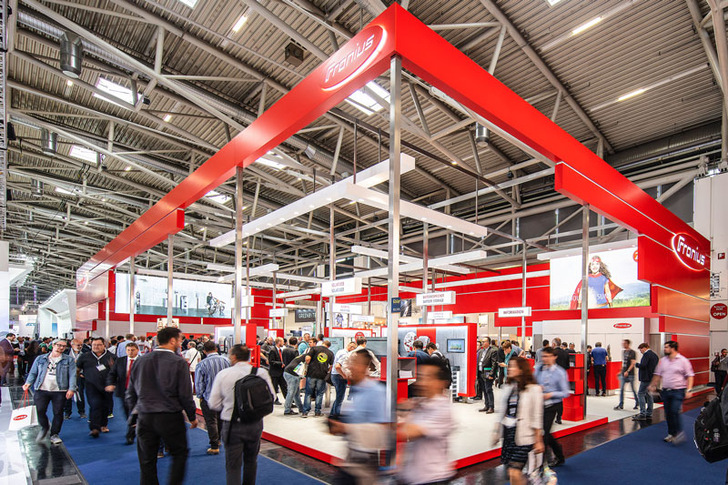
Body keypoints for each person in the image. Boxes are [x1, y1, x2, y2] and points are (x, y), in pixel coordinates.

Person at [126, 327, 198, 485]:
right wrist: (192, 416)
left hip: (145, 416)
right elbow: (185, 394)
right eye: (180, 339)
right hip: (170, 416)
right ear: (172, 340)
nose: (181, 343)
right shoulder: (178, 362)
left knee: (146, 460)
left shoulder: (140, 360)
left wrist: (133, 415)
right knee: (179, 454)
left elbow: (131, 392)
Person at [208, 344, 274, 485]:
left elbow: (213, 404)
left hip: (232, 425)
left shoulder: (224, 374)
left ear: (233, 356)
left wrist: (229, 406)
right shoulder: (260, 372)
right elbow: (271, 397)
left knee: (233, 465)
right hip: (255, 424)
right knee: (251, 461)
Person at [328, 349, 388, 484]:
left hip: (365, 462)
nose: (349, 366)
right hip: (352, 457)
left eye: (353, 363)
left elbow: (382, 429)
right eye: (349, 363)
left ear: (364, 367)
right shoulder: (356, 390)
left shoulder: (376, 392)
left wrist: (347, 428)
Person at [398, 358, 455, 485]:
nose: (421, 382)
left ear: (442, 383)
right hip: (413, 476)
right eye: (420, 377)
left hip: (433, 479)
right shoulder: (420, 402)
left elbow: (409, 432)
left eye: (428, 378)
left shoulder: (443, 409)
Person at [492, 357, 544, 485]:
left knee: (514, 471)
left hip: (524, 436)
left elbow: (537, 416)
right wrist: (496, 431)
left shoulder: (534, 389)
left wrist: (538, 440)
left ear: (521, 370)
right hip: (509, 434)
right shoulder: (507, 387)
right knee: (511, 472)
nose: (509, 369)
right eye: (509, 366)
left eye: (513, 366)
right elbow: (501, 412)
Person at [23, 339, 76, 445]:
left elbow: (72, 375)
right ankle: (44, 427)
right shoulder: (40, 358)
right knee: (40, 410)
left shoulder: (69, 360)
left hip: (60, 390)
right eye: (59, 345)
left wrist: (71, 388)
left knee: (58, 412)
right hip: (41, 389)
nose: (61, 348)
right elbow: (33, 372)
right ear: (53, 345)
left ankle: (54, 434)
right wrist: (28, 382)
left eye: (64, 346)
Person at [648, 340, 694, 445]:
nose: (664, 349)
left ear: (673, 348)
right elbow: (658, 374)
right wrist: (653, 384)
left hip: (678, 391)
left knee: (674, 410)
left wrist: (689, 389)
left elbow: (690, 375)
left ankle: (678, 433)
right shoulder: (663, 361)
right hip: (666, 391)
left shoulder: (683, 361)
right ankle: (671, 433)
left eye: (666, 347)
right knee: (668, 414)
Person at [194, 340, 230, 455]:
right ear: (216, 349)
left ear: (204, 351)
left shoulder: (202, 364)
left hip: (208, 397)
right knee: (220, 419)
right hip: (224, 397)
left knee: (211, 422)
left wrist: (199, 396)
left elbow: (199, 383)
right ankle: (218, 440)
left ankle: (214, 446)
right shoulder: (227, 361)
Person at [535, 347, 570, 468]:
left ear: (554, 357)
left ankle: (541, 464)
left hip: (552, 406)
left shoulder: (560, 372)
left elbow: (565, 392)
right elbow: (533, 382)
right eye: (543, 356)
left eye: (547, 356)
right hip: (538, 405)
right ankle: (559, 454)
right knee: (545, 432)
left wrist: (551, 394)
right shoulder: (539, 369)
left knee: (544, 432)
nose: (544, 359)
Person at [77, 337, 115, 437]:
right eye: (94, 345)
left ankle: (103, 424)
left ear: (104, 345)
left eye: (98, 345)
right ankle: (94, 428)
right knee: (95, 404)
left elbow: (116, 371)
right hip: (91, 385)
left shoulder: (112, 357)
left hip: (107, 385)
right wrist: (75, 382)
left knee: (106, 406)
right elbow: (77, 368)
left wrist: (114, 383)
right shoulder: (85, 356)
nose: (96, 347)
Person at [105, 342, 140, 444]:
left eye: (132, 350)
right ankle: (133, 427)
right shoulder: (120, 361)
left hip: (138, 392)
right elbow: (112, 374)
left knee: (133, 413)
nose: (130, 352)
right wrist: (110, 383)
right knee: (127, 413)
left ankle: (130, 435)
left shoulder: (142, 361)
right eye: (128, 350)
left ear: (137, 350)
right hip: (123, 391)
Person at [302, 340, 334, 417]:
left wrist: (309, 365)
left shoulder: (314, 349)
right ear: (328, 346)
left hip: (311, 373)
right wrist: (327, 370)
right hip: (322, 375)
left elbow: (307, 358)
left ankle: (305, 412)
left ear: (322, 344)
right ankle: (317, 412)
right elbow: (331, 366)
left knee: (308, 393)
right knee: (319, 394)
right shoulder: (330, 353)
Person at [633, 343, 659, 421]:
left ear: (645, 348)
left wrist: (636, 364)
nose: (640, 351)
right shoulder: (655, 355)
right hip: (651, 378)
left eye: (641, 349)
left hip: (646, 378)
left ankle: (642, 414)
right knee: (648, 395)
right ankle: (649, 412)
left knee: (640, 394)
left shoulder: (646, 355)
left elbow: (643, 365)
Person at [331, 341, 356, 417]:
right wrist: (343, 375)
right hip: (339, 377)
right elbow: (337, 366)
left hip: (334, 375)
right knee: (340, 398)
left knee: (338, 396)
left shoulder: (340, 351)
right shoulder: (345, 355)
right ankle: (336, 415)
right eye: (354, 349)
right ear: (351, 347)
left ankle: (333, 413)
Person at [64, 339, 87, 419]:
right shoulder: (66, 353)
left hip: (79, 377)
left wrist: (83, 373)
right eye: (78, 345)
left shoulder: (85, 353)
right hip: (67, 377)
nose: (80, 347)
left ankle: (82, 412)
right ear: (72, 345)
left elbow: (88, 365)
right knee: (67, 394)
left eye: (81, 345)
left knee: (80, 394)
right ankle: (67, 413)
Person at [615, 339, 638, 411]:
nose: (623, 345)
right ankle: (621, 404)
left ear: (628, 344)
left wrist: (628, 371)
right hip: (623, 374)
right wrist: (621, 371)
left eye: (624, 343)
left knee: (633, 389)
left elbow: (633, 363)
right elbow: (624, 363)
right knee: (621, 389)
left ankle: (637, 402)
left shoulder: (632, 352)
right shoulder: (624, 352)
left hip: (630, 374)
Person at [478, 337, 498, 414]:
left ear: (488, 342)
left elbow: (494, 364)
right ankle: (486, 405)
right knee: (484, 390)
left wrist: (491, 374)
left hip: (488, 372)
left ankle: (491, 407)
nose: (482, 343)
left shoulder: (493, 351)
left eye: (484, 341)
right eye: (482, 341)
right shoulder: (481, 351)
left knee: (488, 390)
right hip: (481, 373)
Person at [267, 338, 288, 405]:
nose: (283, 343)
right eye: (282, 342)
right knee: (274, 387)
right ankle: (274, 399)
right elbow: (271, 361)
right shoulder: (273, 350)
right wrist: (280, 364)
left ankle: (288, 400)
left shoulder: (280, 350)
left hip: (280, 372)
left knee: (284, 386)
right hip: (275, 372)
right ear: (279, 342)